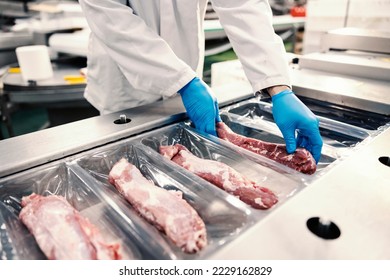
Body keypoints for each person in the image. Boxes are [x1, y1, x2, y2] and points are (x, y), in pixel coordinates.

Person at [78, 0, 323, 163]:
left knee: (182, 162)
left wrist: (278, 87)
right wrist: (182, 81)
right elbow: (110, 16)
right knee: (125, 165)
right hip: (124, 80)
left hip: (185, 74)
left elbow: (242, 5)